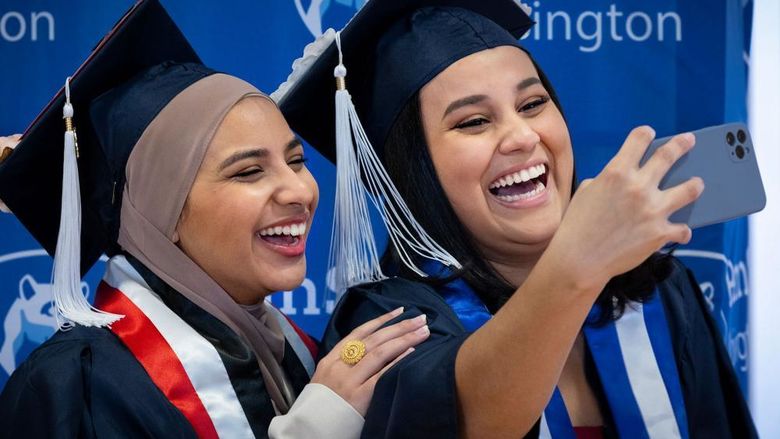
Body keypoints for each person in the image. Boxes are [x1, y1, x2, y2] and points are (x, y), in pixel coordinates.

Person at [275, 0, 758, 438]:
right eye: (473, 121)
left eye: (532, 104)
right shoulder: (388, 322)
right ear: (410, 170)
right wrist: (578, 264)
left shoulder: (657, 291)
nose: (522, 136)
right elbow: (464, 419)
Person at [0, 1, 429, 437]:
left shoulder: (299, 356)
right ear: (158, 212)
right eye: (248, 171)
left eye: (296, 160)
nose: (300, 191)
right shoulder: (77, 390)